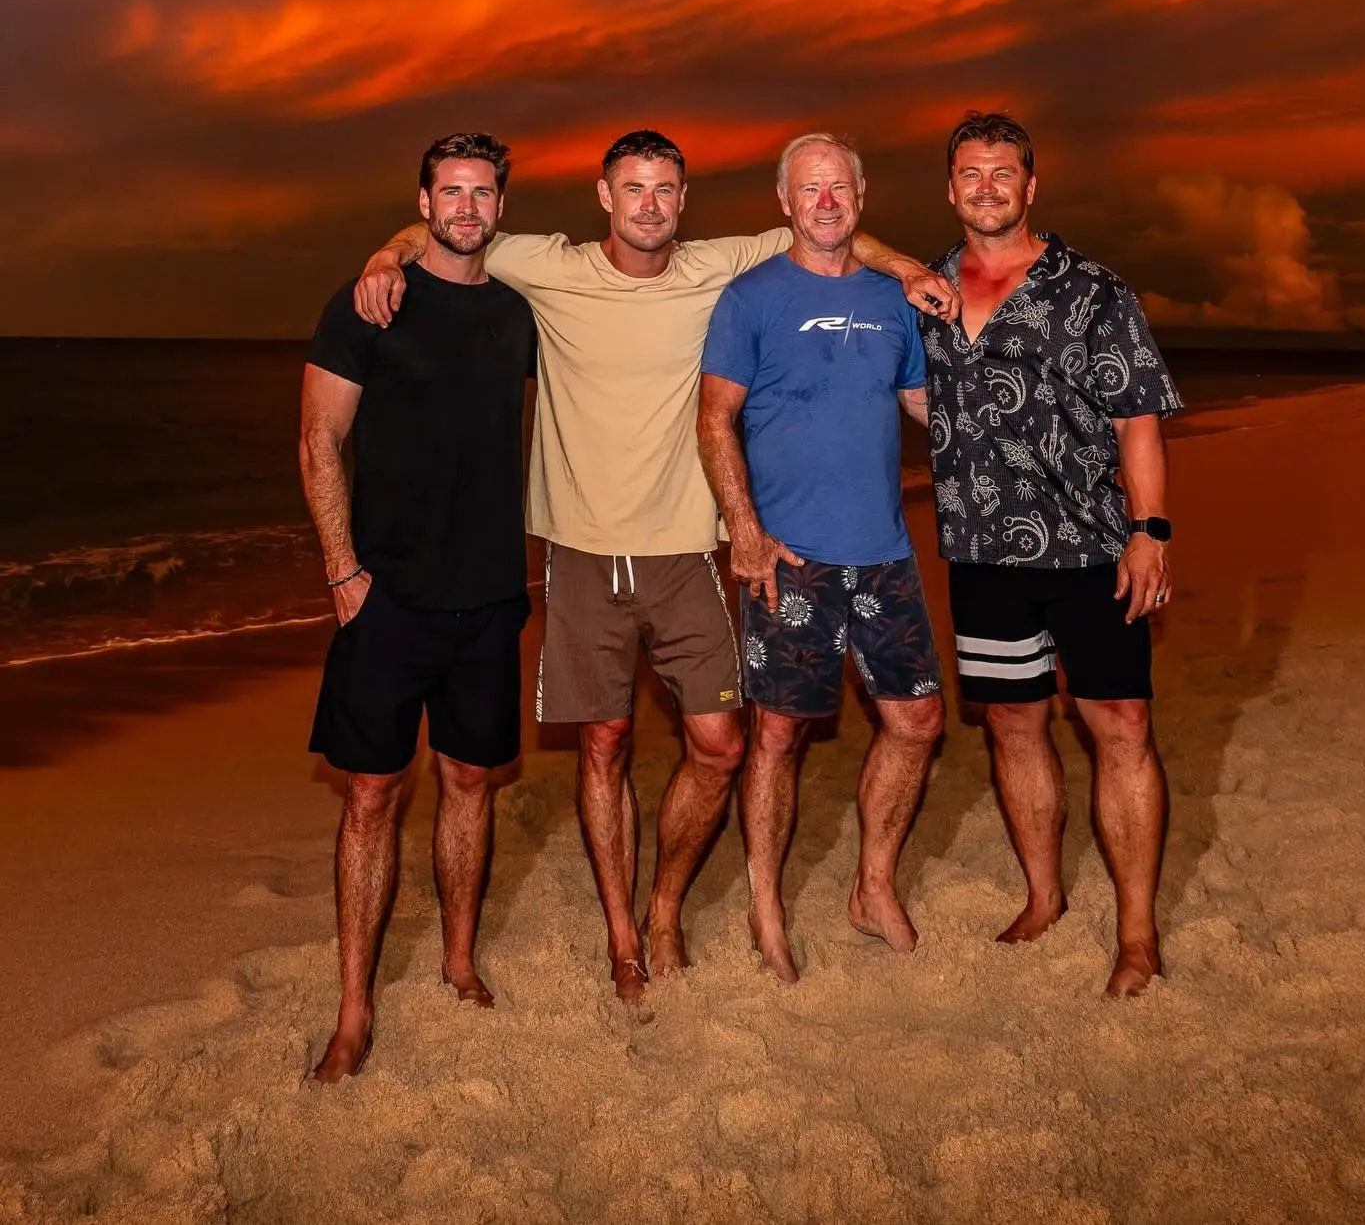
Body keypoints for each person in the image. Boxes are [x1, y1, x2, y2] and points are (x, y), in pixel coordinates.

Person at [354, 131, 957, 1007]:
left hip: (686, 549)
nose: (649, 205)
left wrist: (902, 266)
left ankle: (667, 904)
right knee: (604, 743)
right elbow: (450, 225)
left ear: (684, 198)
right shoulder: (547, 266)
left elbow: (828, 231)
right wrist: (382, 254)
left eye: (665, 190)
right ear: (604, 195)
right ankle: (625, 937)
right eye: (632, 189)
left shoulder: (721, 267)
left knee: (720, 746)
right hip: (583, 552)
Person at [919, 109, 1183, 996]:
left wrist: (1149, 532)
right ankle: (1044, 897)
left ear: (1030, 187)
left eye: (1003, 173)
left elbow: (1137, 418)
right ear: (950, 187)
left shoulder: (1094, 291)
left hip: (1092, 549)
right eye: (970, 173)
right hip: (980, 553)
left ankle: (1138, 935)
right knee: (1012, 723)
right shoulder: (925, 292)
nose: (986, 187)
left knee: (1122, 726)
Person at [300, 133, 536, 1080]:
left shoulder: (522, 314)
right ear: (425, 200)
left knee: (471, 784)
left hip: (489, 598)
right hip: (386, 597)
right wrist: (344, 573)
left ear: (500, 208)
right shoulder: (369, 304)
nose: (467, 207)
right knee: (371, 795)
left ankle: (457, 962)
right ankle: (354, 1007)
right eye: (451, 192)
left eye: (483, 193)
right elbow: (320, 440)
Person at [697, 134, 945, 983]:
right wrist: (744, 527)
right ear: (785, 203)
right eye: (811, 190)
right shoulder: (749, 298)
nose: (827, 202)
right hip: (789, 559)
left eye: (839, 187)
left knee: (916, 722)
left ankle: (873, 887)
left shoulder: (892, 299)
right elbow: (715, 418)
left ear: (862, 195)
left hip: (883, 553)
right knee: (778, 736)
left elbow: (919, 404)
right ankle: (768, 905)